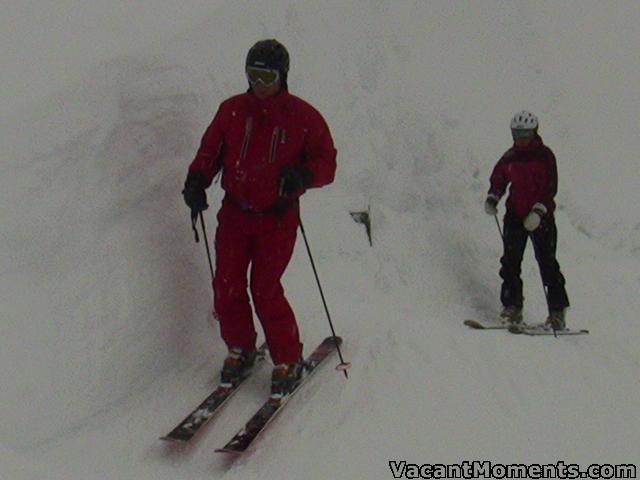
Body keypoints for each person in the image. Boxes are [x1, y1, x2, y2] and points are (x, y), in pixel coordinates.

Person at [182, 39, 337, 396]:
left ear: (282, 76)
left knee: (265, 288)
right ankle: (241, 348)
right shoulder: (232, 110)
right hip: (235, 213)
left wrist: (303, 176)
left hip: (277, 219)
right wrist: (196, 180)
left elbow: (326, 163)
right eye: (252, 75)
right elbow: (210, 151)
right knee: (227, 285)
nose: (258, 84)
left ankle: (287, 358)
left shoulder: (304, 117)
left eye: (266, 76)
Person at [484, 111, 569, 330]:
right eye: (518, 133)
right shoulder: (510, 157)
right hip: (515, 214)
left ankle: (557, 312)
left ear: (534, 133)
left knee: (547, 263)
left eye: (526, 134)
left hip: (542, 217)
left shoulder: (545, 156)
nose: (522, 138)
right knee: (510, 262)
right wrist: (493, 197)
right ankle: (512, 307)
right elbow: (499, 178)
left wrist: (539, 212)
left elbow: (550, 187)